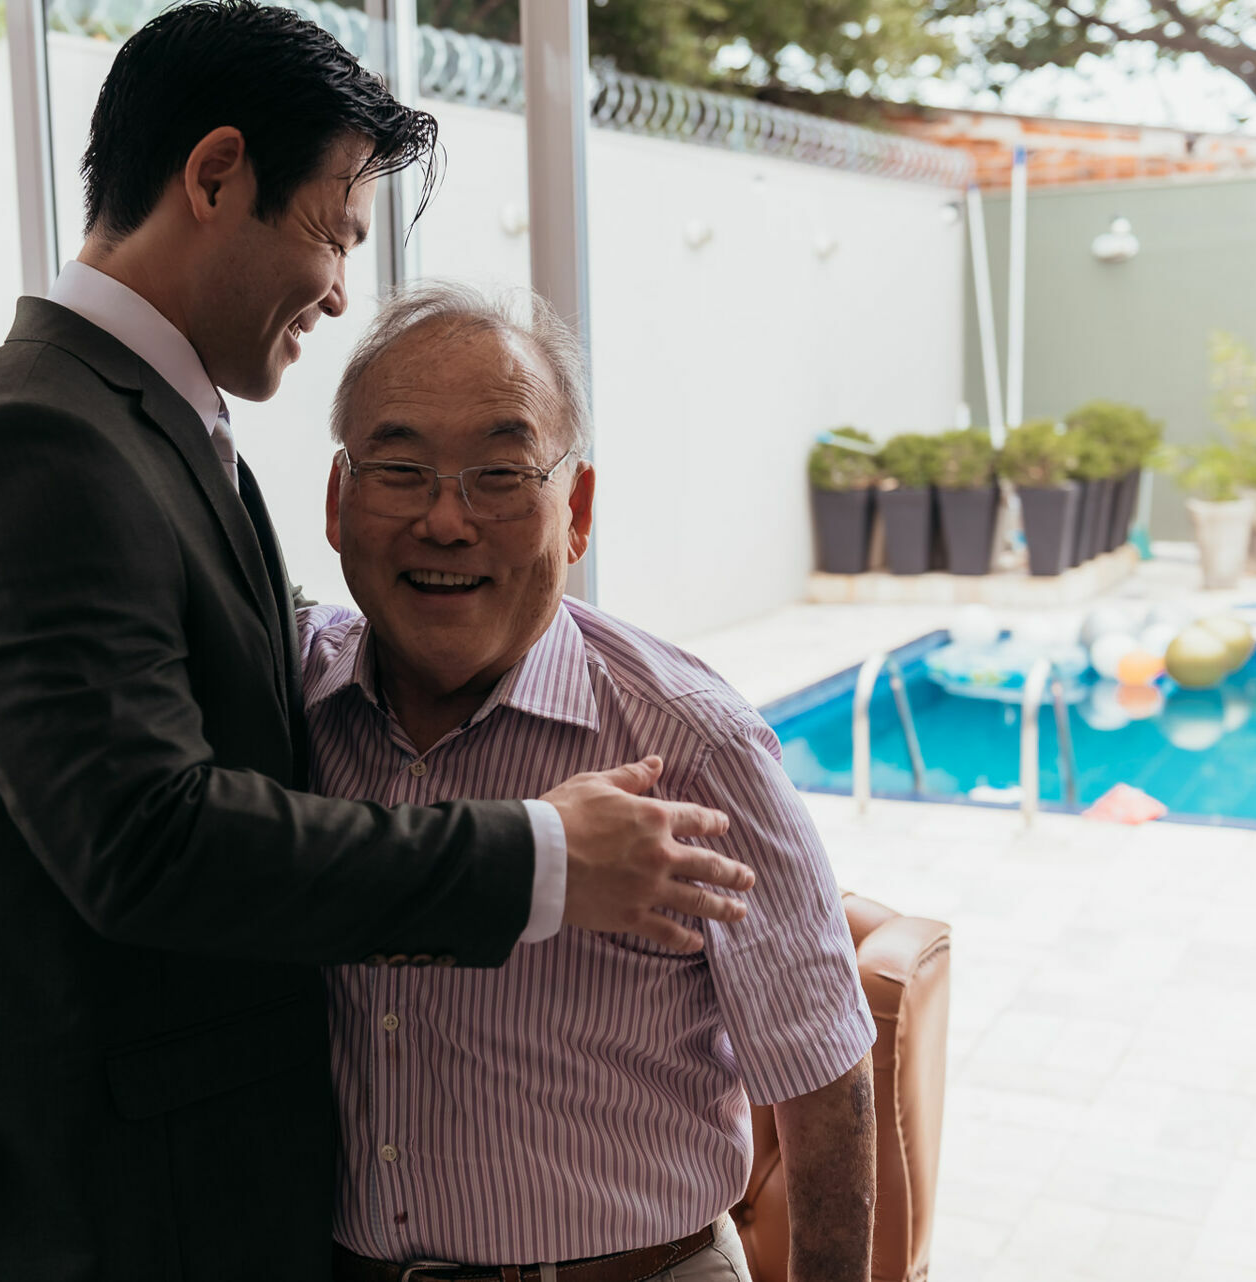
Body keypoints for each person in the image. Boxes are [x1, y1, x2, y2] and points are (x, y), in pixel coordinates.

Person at [0, 5, 753, 1279]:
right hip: (90, 1223)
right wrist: (545, 856)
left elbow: (210, 659)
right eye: (335, 231)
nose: (340, 289)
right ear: (216, 175)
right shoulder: (35, 443)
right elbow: (146, 838)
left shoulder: (147, 426)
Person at [305, 283, 878, 1282]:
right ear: (337, 503)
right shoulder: (295, 709)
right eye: (400, 469)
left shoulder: (691, 744)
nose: (446, 521)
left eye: (500, 474)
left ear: (575, 512)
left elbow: (827, 1087)